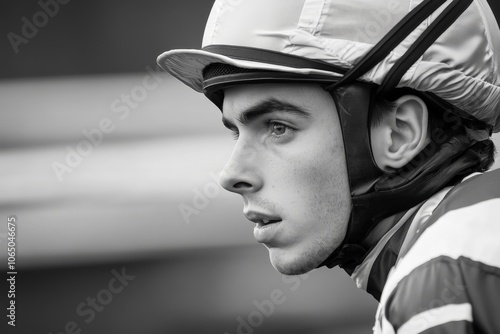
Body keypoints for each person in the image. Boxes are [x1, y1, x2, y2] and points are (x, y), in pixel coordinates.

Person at [157, 0, 500, 332]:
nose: (230, 176)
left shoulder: (440, 279)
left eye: (278, 128)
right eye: (236, 132)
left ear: (399, 134)